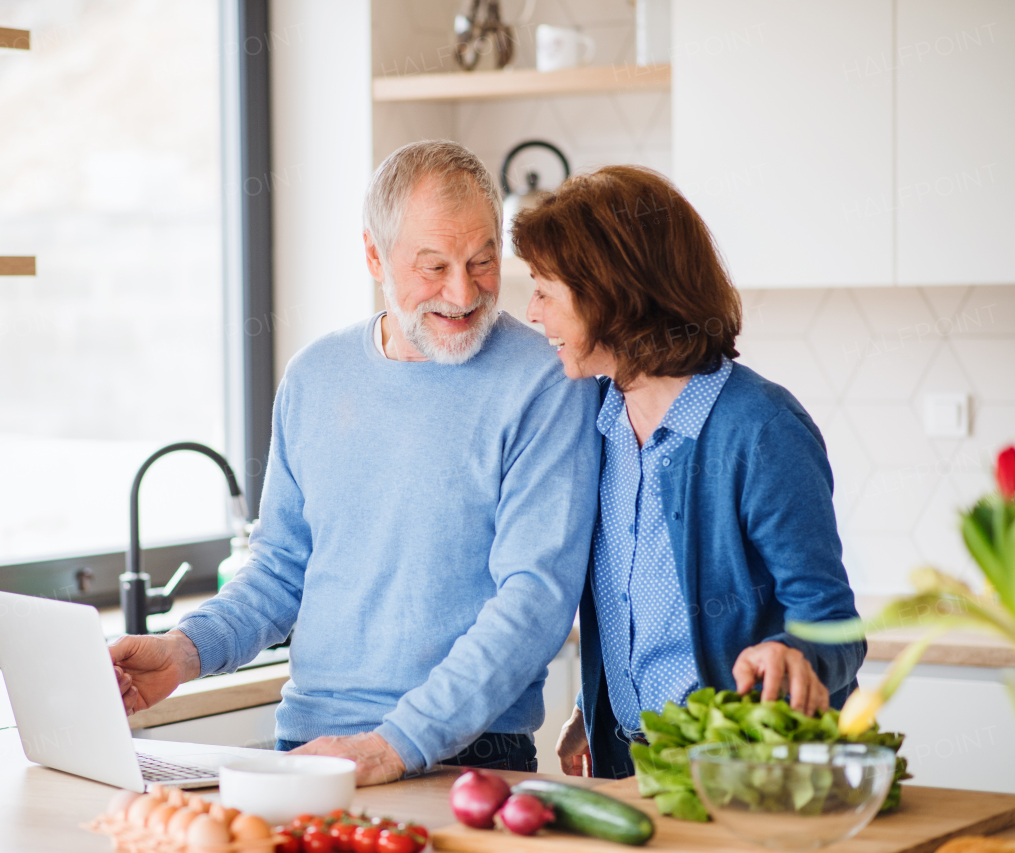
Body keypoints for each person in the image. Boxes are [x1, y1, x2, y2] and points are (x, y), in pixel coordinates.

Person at [109, 140, 601, 785]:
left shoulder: (547, 379)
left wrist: (394, 744)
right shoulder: (316, 375)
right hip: (307, 745)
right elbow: (283, 567)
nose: (463, 291)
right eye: (434, 267)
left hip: (465, 757)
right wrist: (184, 650)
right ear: (374, 254)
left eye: (482, 261)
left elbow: (534, 599)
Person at [512, 165, 866, 779]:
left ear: (610, 291)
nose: (532, 310)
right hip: (624, 762)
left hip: (745, 773)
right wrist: (591, 703)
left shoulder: (759, 430)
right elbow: (635, 603)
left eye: (545, 288)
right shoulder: (597, 420)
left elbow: (834, 625)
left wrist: (787, 653)